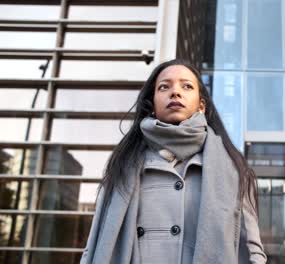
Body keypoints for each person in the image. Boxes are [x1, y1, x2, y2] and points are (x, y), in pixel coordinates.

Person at [80, 59, 267, 263]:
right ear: (152, 104)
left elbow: (252, 251)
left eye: (187, 86)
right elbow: (93, 247)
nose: (175, 92)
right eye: (164, 87)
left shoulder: (232, 168)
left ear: (201, 106)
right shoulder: (123, 165)